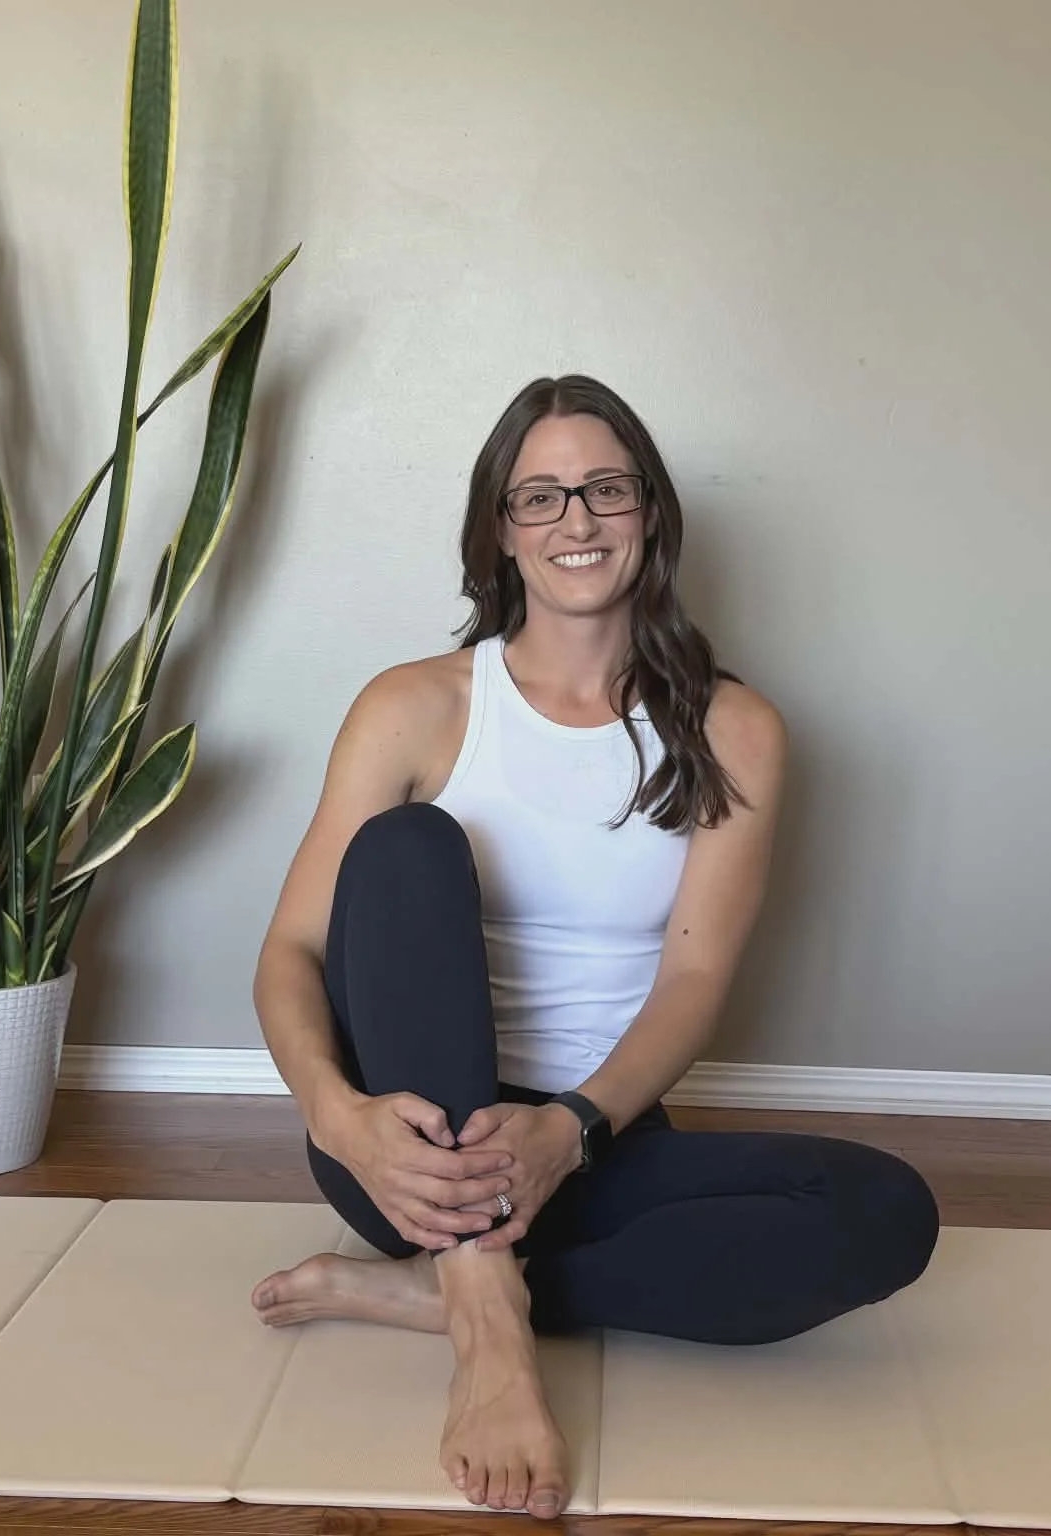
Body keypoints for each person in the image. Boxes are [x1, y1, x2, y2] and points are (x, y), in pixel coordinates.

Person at [250, 375, 940, 1520]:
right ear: (499, 532)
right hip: (409, 1148)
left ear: (649, 513)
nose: (575, 521)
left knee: (884, 1212)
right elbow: (288, 951)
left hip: (588, 1135)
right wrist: (336, 1114)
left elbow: (696, 976)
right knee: (412, 847)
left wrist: (566, 1134)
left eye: (602, 490)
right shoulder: (412, 706)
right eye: (539, 498)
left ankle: (426, 1296)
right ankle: (478, 1310)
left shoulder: (733, 729)